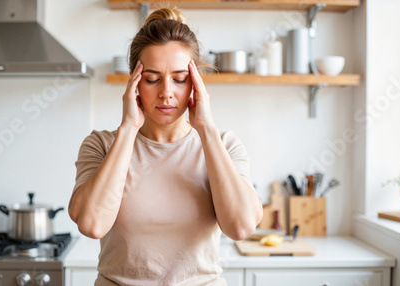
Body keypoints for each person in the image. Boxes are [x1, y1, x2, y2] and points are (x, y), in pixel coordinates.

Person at [68, 7, 263, 286]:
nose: (166, 92)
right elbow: (92, 224)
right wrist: (128, 130)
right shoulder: (101, 145)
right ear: (134, 82)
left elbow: (241, 227)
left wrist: (206, 130)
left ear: (196, 84)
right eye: (152, 78)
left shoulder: (224, 145)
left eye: (180, 79)